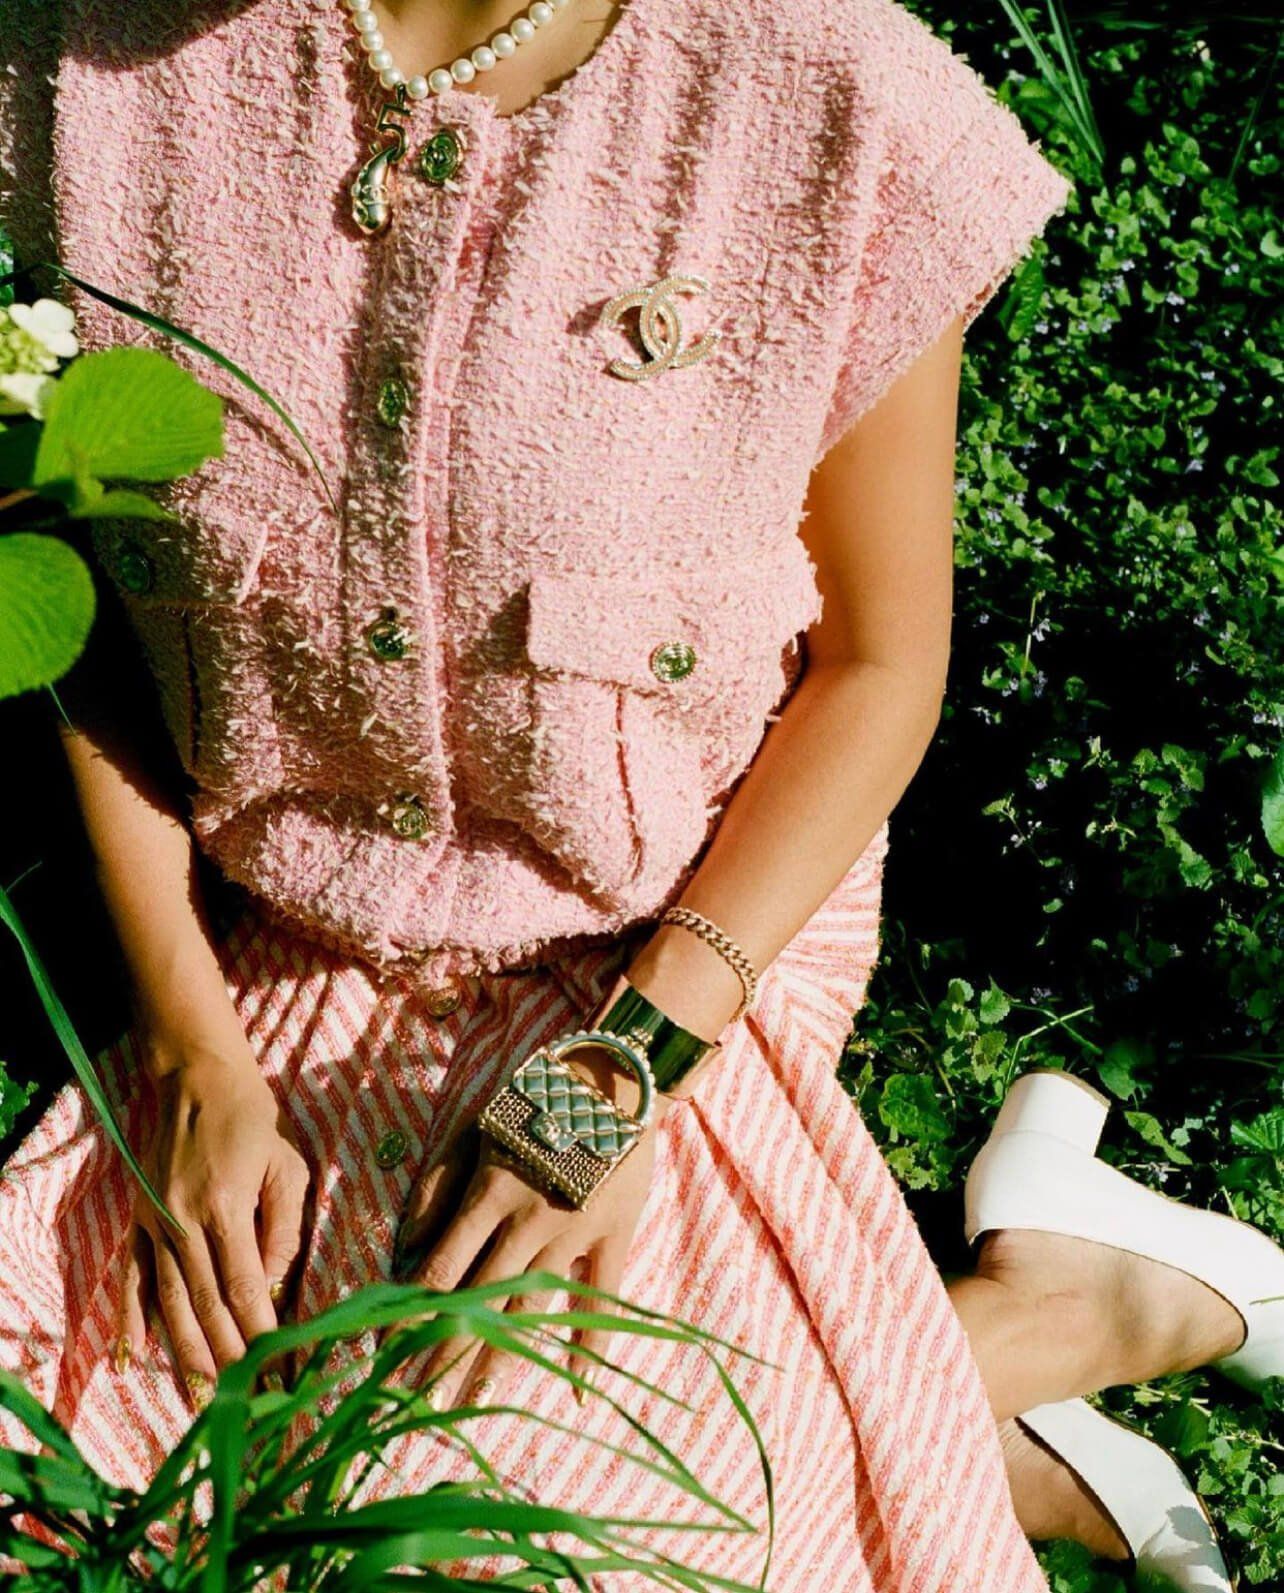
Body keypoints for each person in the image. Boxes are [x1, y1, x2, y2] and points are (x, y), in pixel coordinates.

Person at [2, 0, 1276, 1587]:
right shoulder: (81, 61)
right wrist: (189, 1043)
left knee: (501, 1552)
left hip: (678, 937)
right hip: (278, 945)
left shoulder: (830, 96)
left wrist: (624, 1066)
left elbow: (881, 668)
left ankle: (1068, 1312)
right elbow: (71, 612)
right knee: (122, 1498)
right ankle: (1002, 1341)